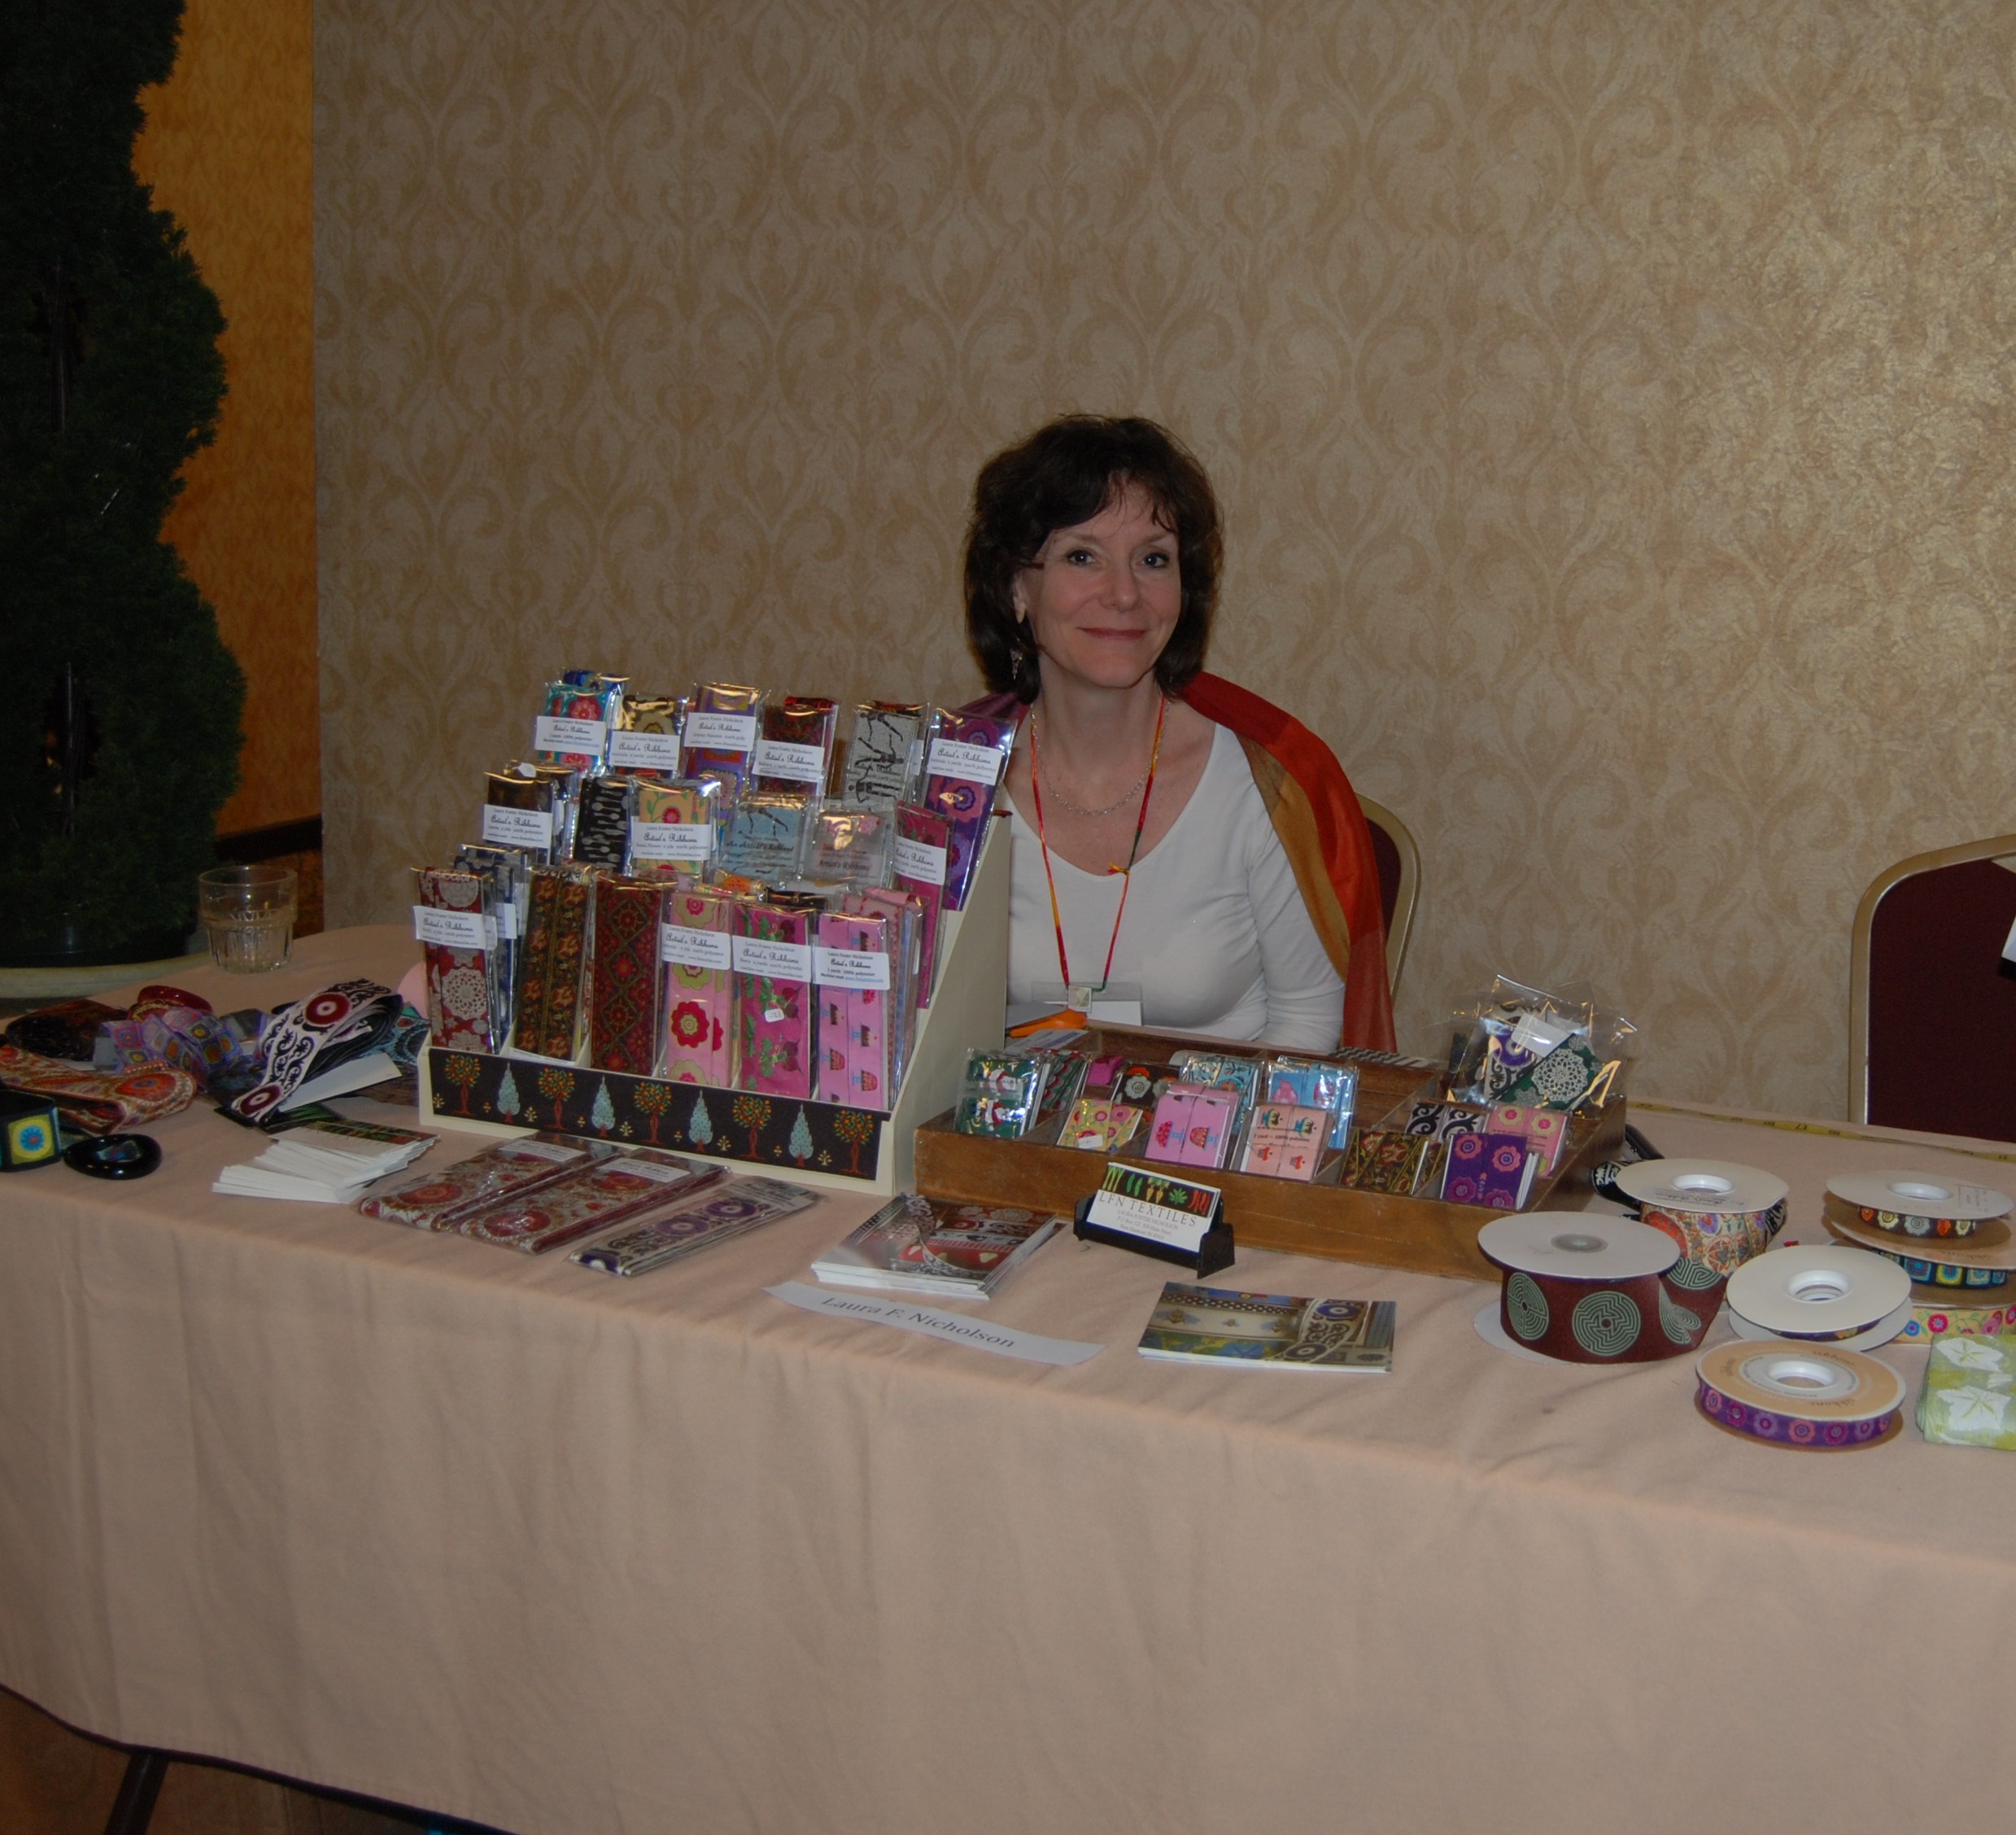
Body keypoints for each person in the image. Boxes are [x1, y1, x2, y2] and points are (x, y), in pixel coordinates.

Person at [962, 414, 1396, 1053]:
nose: (1124, 594)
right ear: (1015, 588)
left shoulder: (1266, 785)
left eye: (1153, 560)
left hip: (1220, 1117)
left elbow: (1307, 1021)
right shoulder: (955, 788)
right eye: (1082, 556)